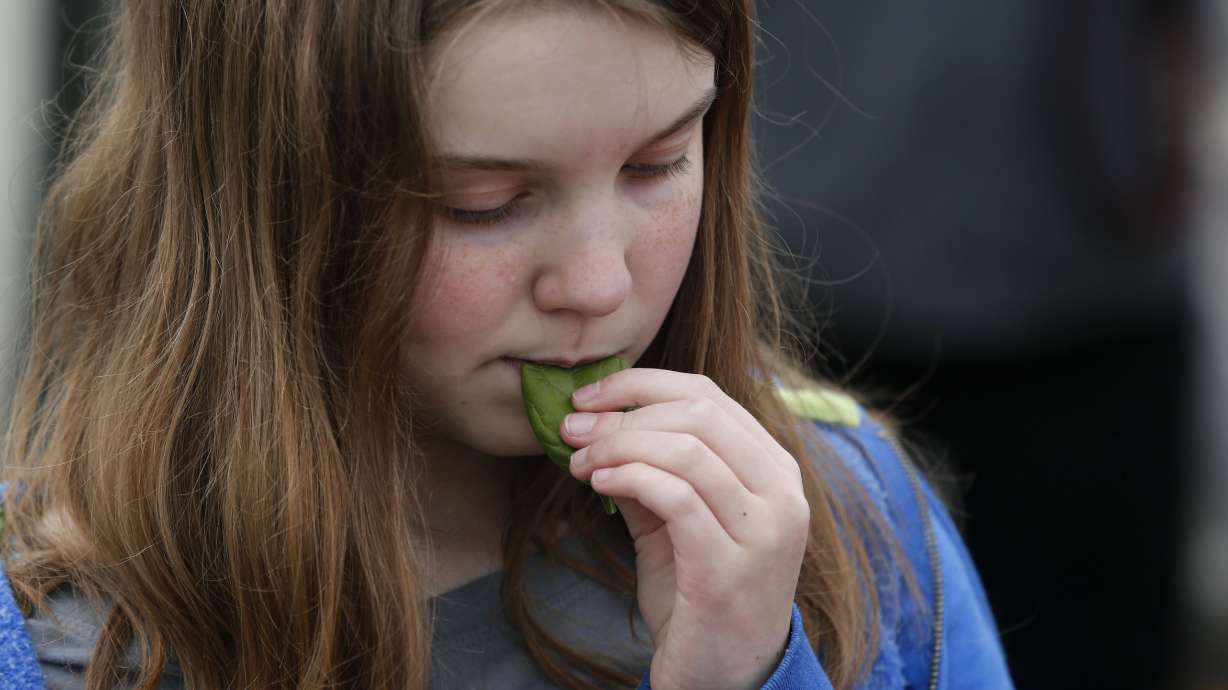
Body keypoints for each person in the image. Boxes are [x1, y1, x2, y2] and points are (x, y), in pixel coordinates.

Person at [0, 2, 1012, 688]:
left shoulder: (850, 521)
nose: (600, 285)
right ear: (267, 201)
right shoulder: (45, 637)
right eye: (481, 204)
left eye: (659, 162)